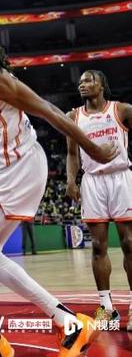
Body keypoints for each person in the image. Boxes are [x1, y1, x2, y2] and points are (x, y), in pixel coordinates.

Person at [0, 7, 117, 356]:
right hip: (3, 170)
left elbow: (48, 110)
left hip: (19, 167)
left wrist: (93, 148)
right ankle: (70, 323)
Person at [66, 70, 132, 329]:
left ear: (102, 85)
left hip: (121, 178)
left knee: (129, 243)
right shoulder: (74, 117)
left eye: (88, 80)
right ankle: (106, 308)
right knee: (97, 246)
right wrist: (71, 180)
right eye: (80, 81)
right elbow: (72, 153)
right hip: (93, 180)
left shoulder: (122, 110)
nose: (82, 84)